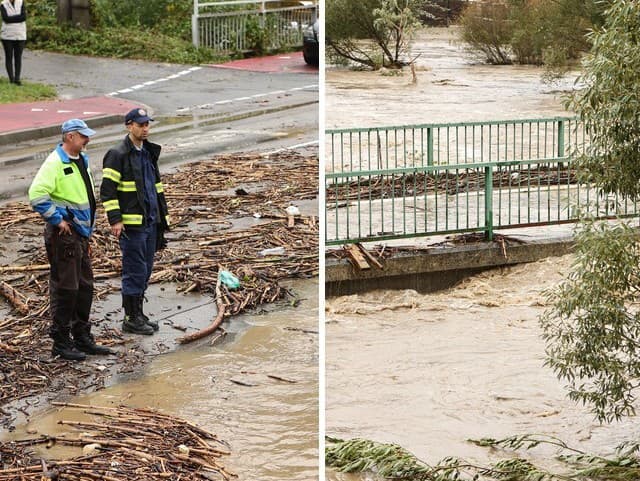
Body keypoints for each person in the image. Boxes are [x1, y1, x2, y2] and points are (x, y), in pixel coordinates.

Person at [28, 119, 115, 361]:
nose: (87, 140)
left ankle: (82, 336)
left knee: (85, 285)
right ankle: (61, 341)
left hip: (80, 235)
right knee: (66, 287)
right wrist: (57, 220)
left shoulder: (81, 160)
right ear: (69, 137)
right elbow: (36, 195)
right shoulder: (56, 162)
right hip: (65, 236)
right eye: (83, 136)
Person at [100, 108, 170, 336]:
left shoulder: (148, 152)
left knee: (146, 269)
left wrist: (162, 218)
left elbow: (155, 188)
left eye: (147, 124)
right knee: (134, 270)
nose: (145, 128)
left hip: (150, 222)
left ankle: (138, 314)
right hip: (132, 226)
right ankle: (130, 318)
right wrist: (115, 220)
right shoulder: (117, 154)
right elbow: (108, 192)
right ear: (129, 126)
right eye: (141, 125)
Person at [0, 0, 26, 85]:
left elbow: (23, 17)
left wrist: (11, 18)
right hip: (7, 36)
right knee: (9, 57)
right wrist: (17, 18)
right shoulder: (3, 4)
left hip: (20, 35)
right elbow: (5, 18)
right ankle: (11, 79)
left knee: (18, 58)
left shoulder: (21, 2)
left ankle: (17, 79)